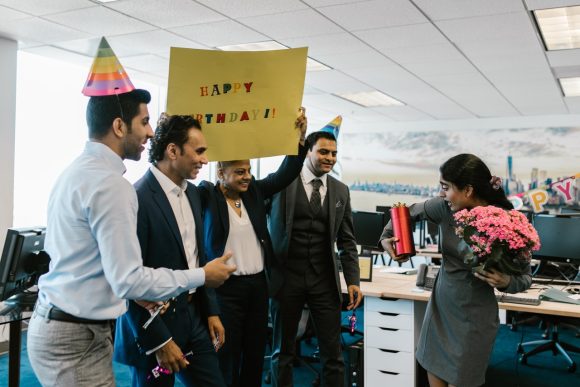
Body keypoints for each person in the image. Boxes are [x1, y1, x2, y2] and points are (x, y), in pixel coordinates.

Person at [27, 91, 235, 387]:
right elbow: (129, 280)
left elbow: (111, 269)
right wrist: (202, 276)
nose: (150, 132)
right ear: (119, 126)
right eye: (145, 121)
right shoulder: (115, 187)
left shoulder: (78, 172)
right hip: (75, 334)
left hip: (72, 326)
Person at [380, 153, 532, 387]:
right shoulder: (444, 208)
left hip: (474, 321)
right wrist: (388, 237)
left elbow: (525, 278)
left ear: (468, 190)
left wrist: (505, 281)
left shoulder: (506, 222)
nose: (441, 193)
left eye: (446, 187)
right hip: (440, 311)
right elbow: (405, 212)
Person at [114, 114, 235, 386]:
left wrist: (211, 312)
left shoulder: (192, 193)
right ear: (172, 150)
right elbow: (130, 280)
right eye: (199, 151)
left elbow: (197, 257)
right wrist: (159, 341)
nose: (205, 160)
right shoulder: (136, 198)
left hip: (193, 317)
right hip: (154, 325)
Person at [197, 110, 308, 387]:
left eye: (248, 171)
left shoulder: (255, 192)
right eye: (239, 172)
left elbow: (286, 173)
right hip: (226, 290)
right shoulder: (207, 195)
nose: (246, 177)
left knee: (255, 353)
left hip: (258, 286)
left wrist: (299, 138)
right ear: (220, 173)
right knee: (228, 354)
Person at [267, 130, 363, 387]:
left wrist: (353, 280)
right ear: (307, 151)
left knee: (333, 354)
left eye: (333, 153)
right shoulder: (281, 183)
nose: (330, 158)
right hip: (286, 278)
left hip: (324, 281)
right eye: (323, 152)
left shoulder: (341, 191)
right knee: (282, 352)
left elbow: (347, 241)